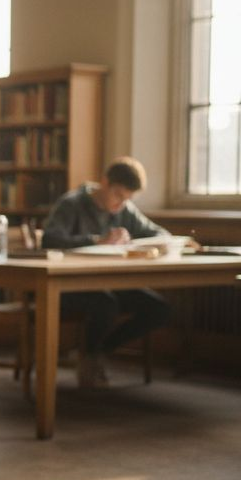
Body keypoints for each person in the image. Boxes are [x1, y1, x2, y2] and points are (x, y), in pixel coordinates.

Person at [40, 156, 173, 388]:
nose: (121, 204)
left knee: (159, 309)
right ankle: (90, 359)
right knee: (105, 303)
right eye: (118, 195)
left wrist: (147, 243)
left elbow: (160, 234)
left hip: (109, 284)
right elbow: (50, 239)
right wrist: (97, 241)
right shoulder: (71, 204)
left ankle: (97, 352)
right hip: (68, 286)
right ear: (104, 182)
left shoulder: (125, 210)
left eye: (128, 199)